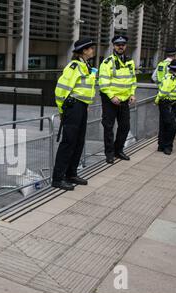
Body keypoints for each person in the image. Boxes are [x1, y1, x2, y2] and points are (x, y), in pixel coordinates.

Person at [52, 38, 97, 191]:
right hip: (73, 107)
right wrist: (62, 110)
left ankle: (71, 174)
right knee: (68, 142)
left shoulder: (85, 65)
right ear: (84, 50)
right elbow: (61, 89)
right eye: (91, 48)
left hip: (82, 106)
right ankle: (58, 178)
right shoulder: (73, 66)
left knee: (78, 141)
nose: (93, 50)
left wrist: (86, 104)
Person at [99, 35, 137, 164]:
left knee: (125, 126)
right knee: (108, 128)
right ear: (114, 46)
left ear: (125, 46)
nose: (121, 47)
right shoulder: (107, 62)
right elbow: (103, 82)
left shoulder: (130, 61)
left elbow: (133, 80)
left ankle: (118, 150)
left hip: (124, 100)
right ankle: (109, 154)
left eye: (123, 44)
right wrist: (111, 96)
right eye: (118, 44)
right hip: (110, 101)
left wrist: (132, 94)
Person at [155, 59, 176, 155]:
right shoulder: (171, 78)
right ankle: (168, 146)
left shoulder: (175, 77)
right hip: (167, 104)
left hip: (171, 104)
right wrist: (157, 101)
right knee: (171, 126)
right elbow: (164, 92)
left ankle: (161, 145)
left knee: (164, 124)